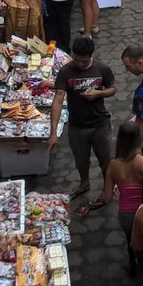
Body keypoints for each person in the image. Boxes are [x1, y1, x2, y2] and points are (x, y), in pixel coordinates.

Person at [90, 120, 143, 286]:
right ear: (138, 140)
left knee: (131, 241)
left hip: (126, 216)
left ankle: (133, 263)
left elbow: (106, 197)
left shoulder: (113, 165)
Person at [48, 35, 116, 198]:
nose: (79, 64)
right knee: (81, 160)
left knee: (106, 160)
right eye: (76, 60)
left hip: (100, 125)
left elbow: (112, 89)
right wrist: (53, 132)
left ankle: (109, 187)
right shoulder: (65, 71)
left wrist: (98, 93)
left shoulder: (102, 69)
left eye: (83, 61)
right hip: (77, 126)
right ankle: (84, 183)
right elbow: (58, 99)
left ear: (91, 56)